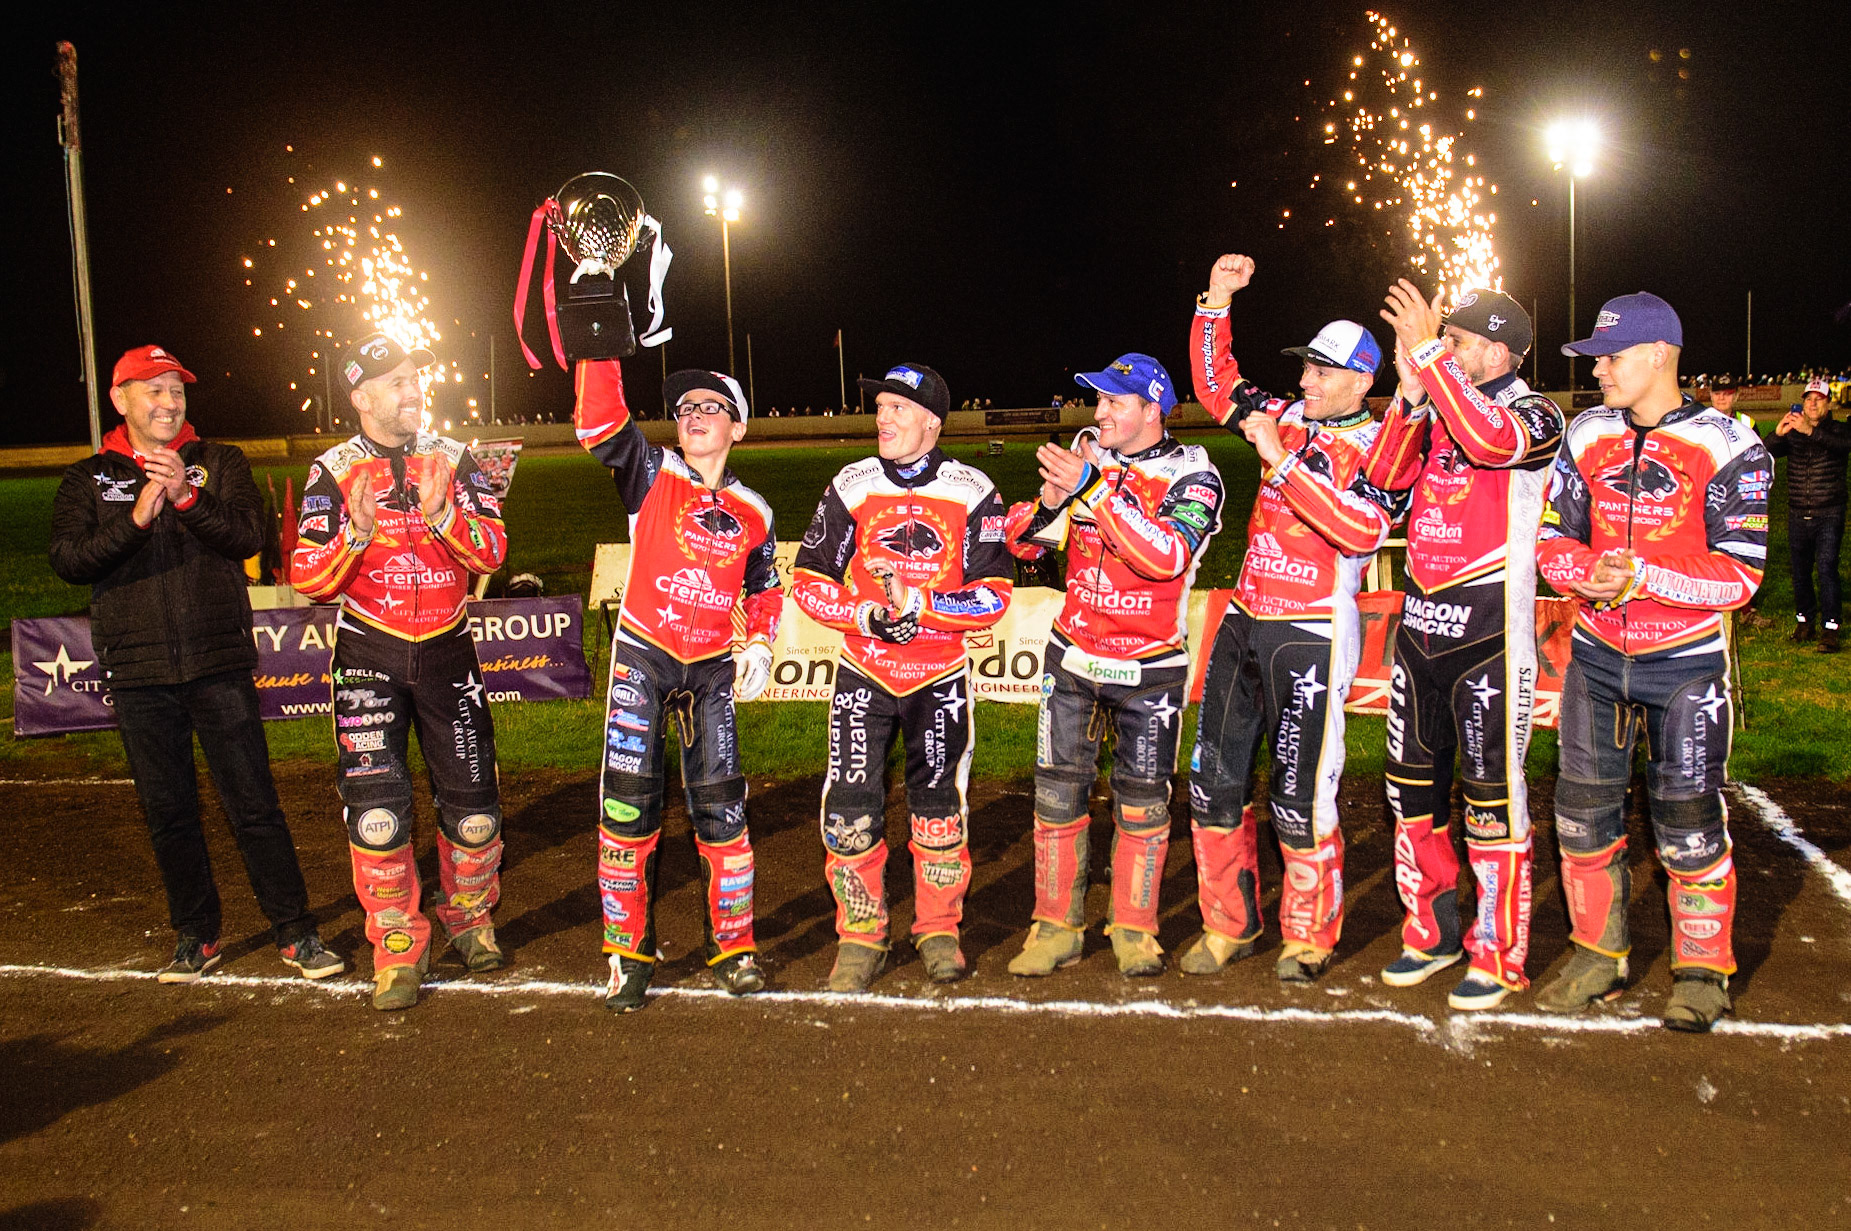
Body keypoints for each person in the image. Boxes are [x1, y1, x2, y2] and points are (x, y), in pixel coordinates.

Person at [49, 346, 343, 985]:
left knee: (254, 805)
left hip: (218, 663)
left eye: (177, 391)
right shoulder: (89, 478)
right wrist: (135, 520)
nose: (169, 402)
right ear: (120, 399)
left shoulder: (220, 462)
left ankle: (295, 931)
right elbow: (69, 560)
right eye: (154, 390)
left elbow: (249, 538)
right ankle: (196, 935)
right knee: (169, 813)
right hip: (139, 673)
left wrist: (186, 497)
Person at [1535, 292, 1769, 1032]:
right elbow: (1550, 542)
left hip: (1685, 666)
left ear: (1659, 354)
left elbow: (1741, 574)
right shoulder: (1585, 432)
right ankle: (1596, 956)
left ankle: (1701, 970)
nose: (1597, 370)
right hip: (1595, 658)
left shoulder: (1730, 443)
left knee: (1688, 820)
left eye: (1610, 356)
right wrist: (1587, 575)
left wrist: (1640, 575)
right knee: (1581, 816)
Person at [1182, 254, 1403, 984]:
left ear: (1360, 381)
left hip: (1312, 632)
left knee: (1298, 791)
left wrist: (1280, 463)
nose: (1305, 380)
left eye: (1321, 370)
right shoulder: (1281, 415)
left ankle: (1308, 936)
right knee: (1213, 779)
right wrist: (1217, 301)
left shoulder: (1383, 446)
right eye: (1305, 366)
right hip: (1244, 618)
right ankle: (1228, 925)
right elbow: (1215, 384)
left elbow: (1361, 531)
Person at [290, 333, 509, 1012]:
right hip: (369, 657)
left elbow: (492, 552)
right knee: (377, 812)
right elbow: (309, 578)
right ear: (361, 396)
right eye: (397, 382)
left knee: (474, 807)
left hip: (447, 653)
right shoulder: (331, 471)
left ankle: (470, 918)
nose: (413, 391)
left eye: (415, 379)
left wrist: (443, 514)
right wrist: (355, 534)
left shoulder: (454, 457)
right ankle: (396, 947)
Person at [1363, 283, 1565, 1010]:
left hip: (1490, 641)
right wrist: (1410, 394)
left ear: (1498, 350)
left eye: (1456, 339)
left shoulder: (1537, 413)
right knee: (1410, 793)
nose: (1444, 347)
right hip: (1419, 637)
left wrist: (1429, 357)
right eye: (1442, 337)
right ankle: (1431, 933)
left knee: (1490, 800)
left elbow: (1489, 443)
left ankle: (1496, 952)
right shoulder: (1440, 400)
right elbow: (1382, 479)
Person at [791, 363, 1013, 991]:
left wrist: (921, 606)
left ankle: (938, 929)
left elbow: (994, 595)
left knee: (939, 807)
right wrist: (865, 616)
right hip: (864, 672)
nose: (883, 418)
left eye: (897, 408)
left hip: (938, 677)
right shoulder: (851, 482)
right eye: (880, 407)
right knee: (850, 806)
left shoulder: (974, 489)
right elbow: (808, 580)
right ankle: (861, 935)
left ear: (932, 422)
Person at [1000, 354, 1223, 978]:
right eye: (1097, 400)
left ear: (1152, 410)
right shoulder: (1086, 458)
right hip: (1072, 659)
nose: (1098, 413)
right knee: (1056, 796)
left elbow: (1166, 556)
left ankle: (1134, 929)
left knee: (1143, 805)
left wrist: (1091, 489)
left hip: (1150, 669)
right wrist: (1049, 502)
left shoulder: (1195, 473)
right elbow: (1023, 545)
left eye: (1113, 402)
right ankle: (1055, 928)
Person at [571, 358, 781, 1011]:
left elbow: (765, 588)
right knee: (628, 809)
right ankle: (627, 956)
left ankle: (734, 949)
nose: (693, 415)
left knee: (723, 812)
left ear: (738, 427)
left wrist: (760, 642)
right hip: (643, 660)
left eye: (710, 407)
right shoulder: (651, 470)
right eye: (685, 408)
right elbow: (600, 423)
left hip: (712, 671)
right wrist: (601, 340)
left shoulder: (755, 510)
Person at [1767, 377, 1851, 652]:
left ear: (1829, 404)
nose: (1813, 404)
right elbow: (1764, 452)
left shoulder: (1839, 429)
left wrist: (1810, 431)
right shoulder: (1793, 432)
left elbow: (1842, 446)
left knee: (1826, 568)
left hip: (1829, 512)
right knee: (1800, 570)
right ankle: (1804, 622)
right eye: (1808, 399)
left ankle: (1830, 629)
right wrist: (1778, 434)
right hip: (1798, 512)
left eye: (1819, 399)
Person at [1712, 376, 1773, 629]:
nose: (1721, 398)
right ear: (1710, 395)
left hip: (1740, 497)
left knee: (1742, 549)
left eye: (1727, 393)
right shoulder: (1700, 421)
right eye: (1717, 393)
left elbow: (1758, 457)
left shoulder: (1748, 423)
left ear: (1735, 396)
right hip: (1711, 497)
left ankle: (1747, 608)